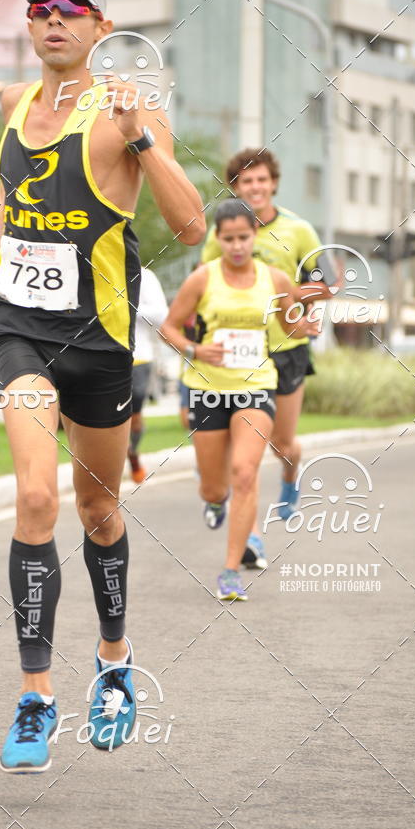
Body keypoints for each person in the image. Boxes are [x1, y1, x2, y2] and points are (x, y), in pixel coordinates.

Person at [0, 0, 205, 773]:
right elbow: (14, 187)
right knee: (36, 497)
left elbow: (191, 225)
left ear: (102, 26)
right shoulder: (13, 104)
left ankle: (114, 661)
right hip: (20, 328)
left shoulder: (129, 110)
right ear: (29, 24)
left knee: (99, 510)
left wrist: (141, 138)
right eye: (41, 6)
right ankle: (35, 696)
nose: (54, 17)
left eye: (72, 6)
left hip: (99, 339)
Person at [162, 199, 319, 601]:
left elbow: (289, 325)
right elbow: (169, 328)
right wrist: (196, 350)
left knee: (245, 472)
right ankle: (215, 502)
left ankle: (231, 571)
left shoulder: (275, 279)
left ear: (254, 236)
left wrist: (305, 325)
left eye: (244, 238)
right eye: (229, 239)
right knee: (214, 488)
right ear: (218, 238)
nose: (236, 246)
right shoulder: (202, 278)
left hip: (256, 386)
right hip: (207, 389)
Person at [201, 149, 339, 564]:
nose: (255, 187)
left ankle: (291, 474)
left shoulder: (298, 230)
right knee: (245, 456)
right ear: (234, 187)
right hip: (240, 356)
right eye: (246, 181)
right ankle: (251, 537)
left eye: (261, 179)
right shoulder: (222, 233)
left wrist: (287, 294)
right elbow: (203, 284)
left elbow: (329, 282)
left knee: (281, 444)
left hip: (287, 350)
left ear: (273, 183)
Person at [127, 265, 168, 483]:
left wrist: (126, 306)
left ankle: (132, 452)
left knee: (134, 416)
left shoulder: (144, 275)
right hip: (100, 354)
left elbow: (161, 315)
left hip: (138, 355)